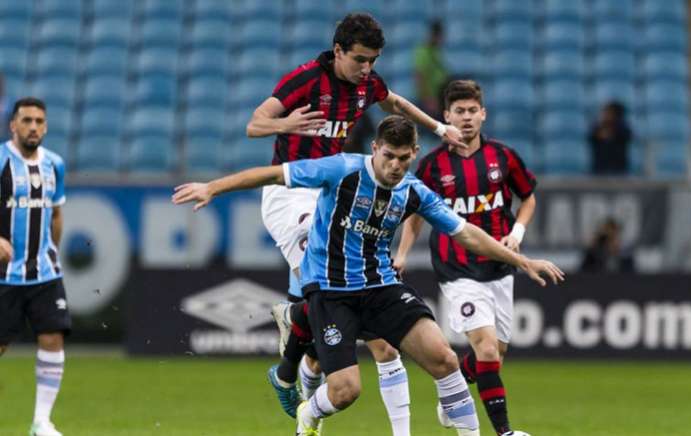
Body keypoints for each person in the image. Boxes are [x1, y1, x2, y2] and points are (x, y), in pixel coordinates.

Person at [172, 115, 564, 436]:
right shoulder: (341, 169)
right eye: (388, 156)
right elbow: (272, 174)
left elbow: (466, 234)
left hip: (381, 288)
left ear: (414, 154)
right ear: (375, 149)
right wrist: (213, 187)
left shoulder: (414, 191)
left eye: (403, 159)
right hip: (331, 292)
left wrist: (523, 261)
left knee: (444, 358)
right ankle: (309, 412)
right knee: (345, 392)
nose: (395, 166)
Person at [245, 12, 467, 434]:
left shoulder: (367, 83)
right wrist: (286, 124)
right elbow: (254, 124)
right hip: (290, 192)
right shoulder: (305, 80)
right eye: (360, 59)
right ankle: (294, 327)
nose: (367, 69)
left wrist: (439, 127)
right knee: (323, 266)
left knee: (358, 322)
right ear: (338, 50)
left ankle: (292, 353)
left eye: (373, 60)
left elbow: (395, 104)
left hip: (333, 188)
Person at [394, 80, 536, 436]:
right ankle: (504, 432)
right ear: (446, 116)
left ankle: (451, 394)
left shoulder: (503, 157)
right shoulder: (431, 166)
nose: (467, 118)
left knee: (495, 353)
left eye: (473, 111)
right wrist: (402, 254)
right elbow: (415, 216)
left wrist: (516, 234)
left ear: (483, 114)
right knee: (487, 348)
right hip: (456, 268)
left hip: (500, 265)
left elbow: (528, 197)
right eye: (459, 111)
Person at [0, 97, 69, 436]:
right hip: (4, 275)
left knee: (53, 337)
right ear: (13, 125)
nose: (33, 127)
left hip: (44, 272)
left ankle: (42, 422)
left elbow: (56, 214)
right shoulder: (0, 161)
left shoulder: (55, 164)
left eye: (39, 121)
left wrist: (52, 250)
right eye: (26, 120)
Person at [414, 20, 448, 120]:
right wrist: (427, 100)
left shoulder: (437, 51)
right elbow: (419, 77)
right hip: (429, 102)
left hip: (439, 99)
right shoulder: (423, 51)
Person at [587, 101, 632, 175]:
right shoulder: (597, 127)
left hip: (619, 169)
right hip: (598, 169)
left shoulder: (623, 128)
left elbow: (626, 137)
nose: (607, 115)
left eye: (610, 112)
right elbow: (591, 138)